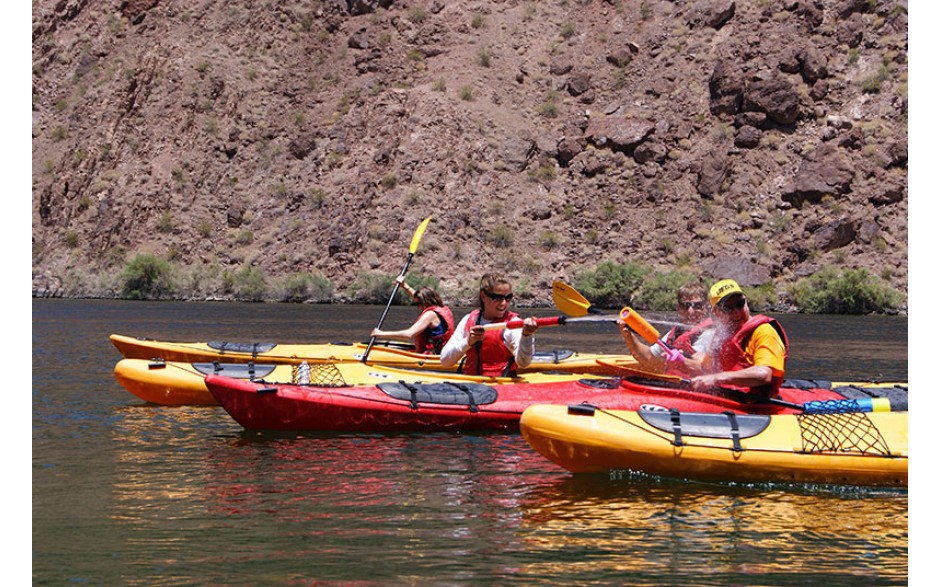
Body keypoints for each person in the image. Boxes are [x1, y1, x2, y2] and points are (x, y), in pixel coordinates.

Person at [689, 279, 788, 397]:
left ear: (746, 301)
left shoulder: (764, 332)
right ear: (716, 312)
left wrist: (716, 378)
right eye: (728, 308)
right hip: (727, 400)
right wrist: (678, 361)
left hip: (756, 405)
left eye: (739, 304)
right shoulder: (722, 335)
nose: (736, 311)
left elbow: (764, 374)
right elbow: (705, 369)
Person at [439, 273, 541, 377]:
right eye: (497, 298)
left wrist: (527, 336)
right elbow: (445, 361)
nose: (503, 303)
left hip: (501, 388)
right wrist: (468, 342)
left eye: (508, 297)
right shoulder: (468, 320)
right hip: (471, 386)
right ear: (483, 296)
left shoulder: (513, 323)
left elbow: (524, 363)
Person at [617, 281, 715, 375]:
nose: (691, 311)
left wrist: (681, 357)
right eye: (685, 305)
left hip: (694, 389)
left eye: (697, 305)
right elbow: (649, 358)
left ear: (705, 307)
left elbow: (699, 365)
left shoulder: (709, 334)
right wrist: (628, 336)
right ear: (678, 308)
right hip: (674, 385)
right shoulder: (676, 333)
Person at [371, 276, 456, 354]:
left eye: (418, 304)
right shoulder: (442, 308)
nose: (417, 307)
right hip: (443, 352)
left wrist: (381, 334)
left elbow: (409, 334)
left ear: (425, 302)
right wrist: (405, 286)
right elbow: (417, 297)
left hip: (432, 355)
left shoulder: (430, 315)